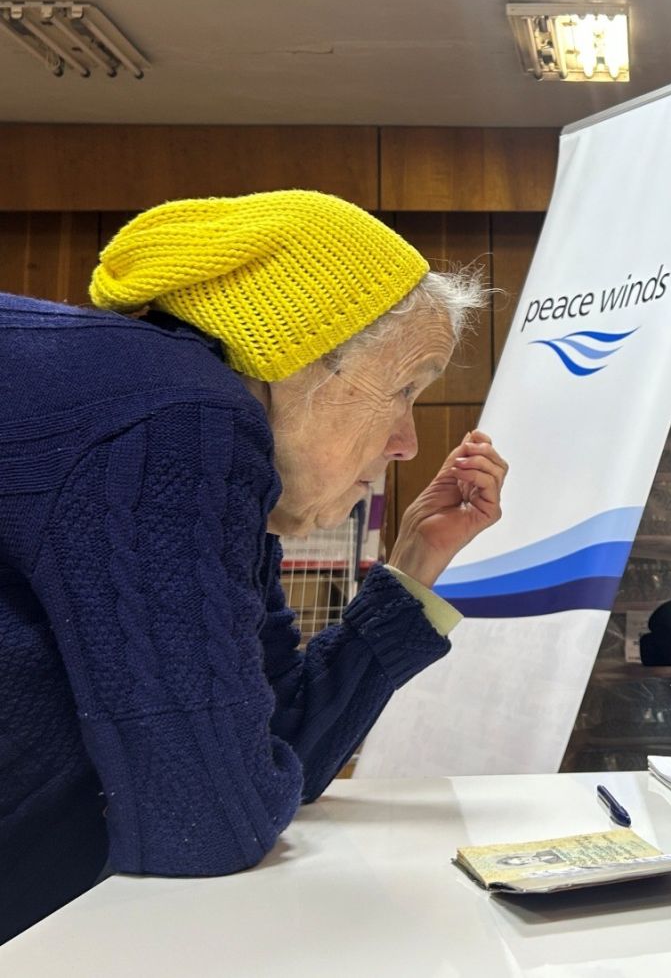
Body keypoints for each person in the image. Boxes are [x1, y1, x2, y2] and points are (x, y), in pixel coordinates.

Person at [0, 190, 508, 942]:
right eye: (405, 387)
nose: (407, 442)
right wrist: (233, 777)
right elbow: (208, 818)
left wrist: (413, 565)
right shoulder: (181, 418)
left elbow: (277, 742)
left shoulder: (184, 424)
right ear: (298, 358)